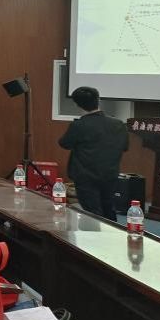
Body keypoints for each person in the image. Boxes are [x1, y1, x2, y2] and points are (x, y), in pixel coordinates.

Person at [58, 86, 130, 222]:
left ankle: (93, 235)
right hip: (110, 175)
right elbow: (125, 147)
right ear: (98, 100)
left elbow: (64, 143)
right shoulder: (118, 124)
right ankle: (113, 234)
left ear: (77, 105)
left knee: (92, 214)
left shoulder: (79, 125)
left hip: (86, 177)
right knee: (109, 209)